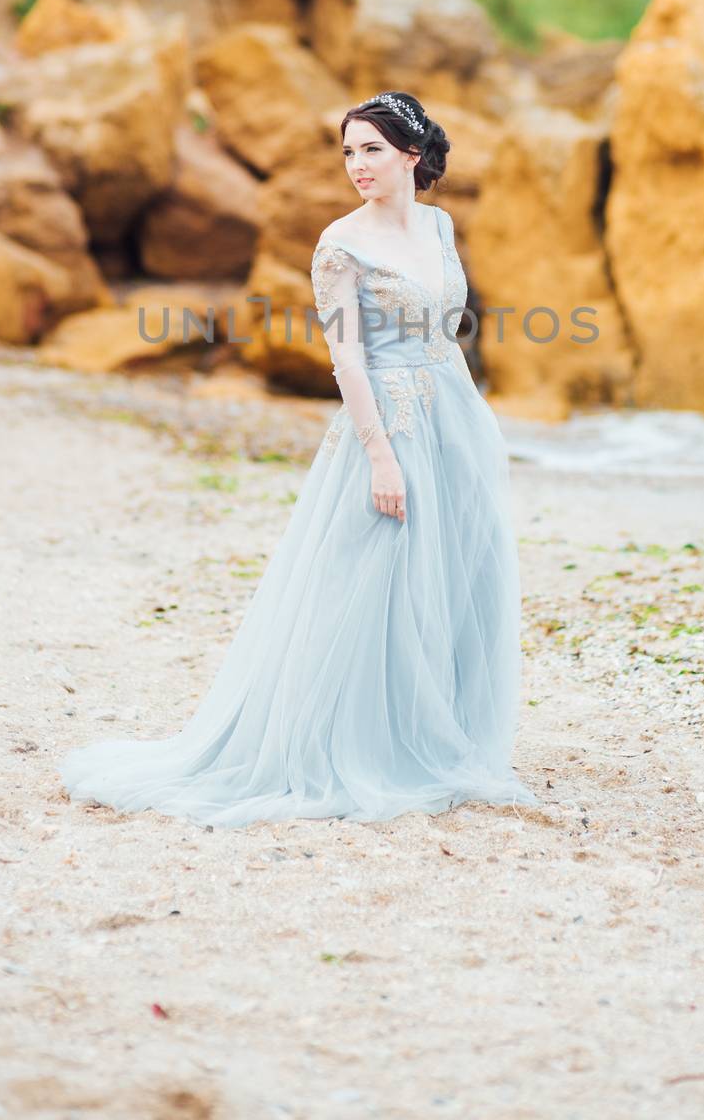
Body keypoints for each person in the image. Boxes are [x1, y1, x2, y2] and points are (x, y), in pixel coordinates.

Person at [57, 91, 538, 826]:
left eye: (372, 149)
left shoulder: (440, 227)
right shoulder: (340, 245)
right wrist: (380, 455)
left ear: (413, 154)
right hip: (387, 424)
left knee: (455, 572)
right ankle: (362, 745)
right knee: (376, 583)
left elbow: (448, 331)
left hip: (452, 418)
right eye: (348, 152)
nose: (357, 165)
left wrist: (470, 425)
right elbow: (346, 359)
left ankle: (443, 737)